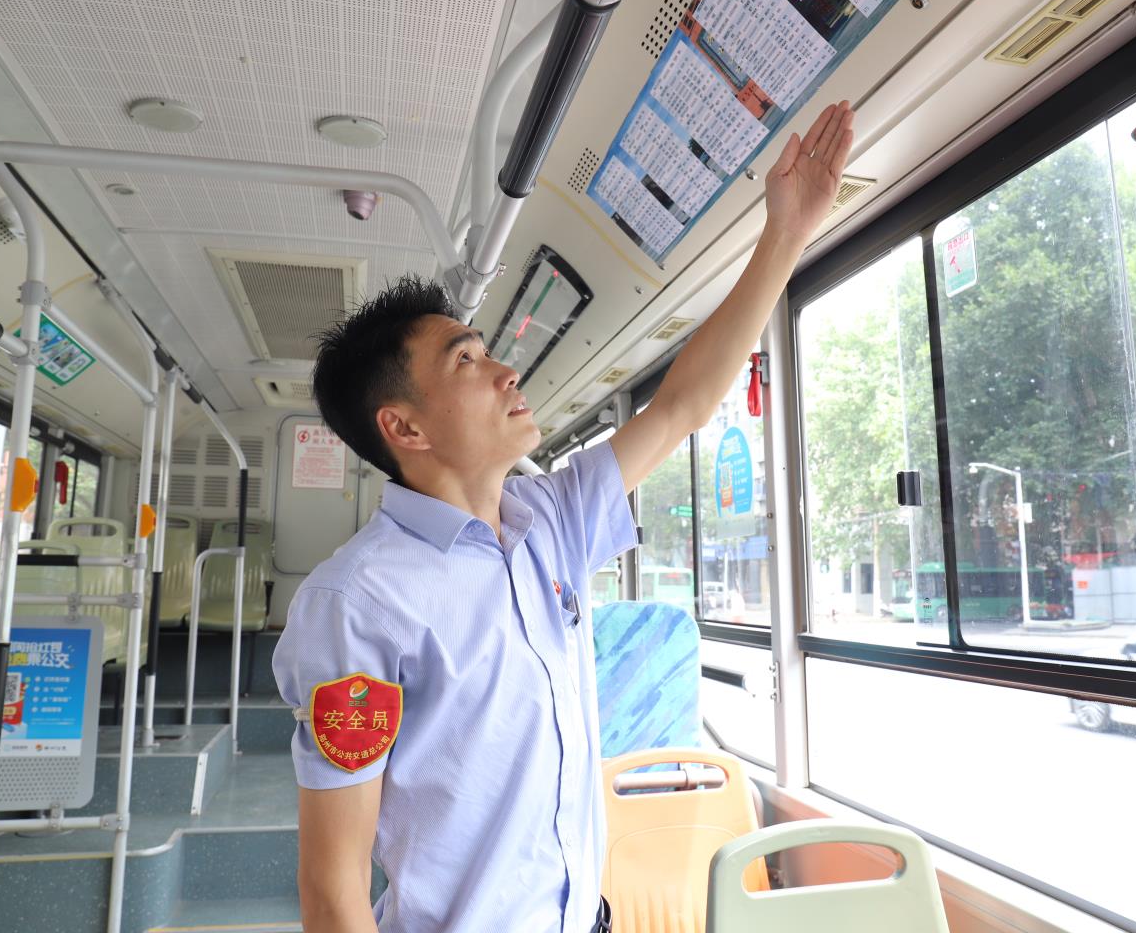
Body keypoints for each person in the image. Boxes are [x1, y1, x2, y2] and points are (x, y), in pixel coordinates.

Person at [273, 100, 856, 933]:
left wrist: (787, 232)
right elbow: (331, 893)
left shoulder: (550, 519)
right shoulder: (356, 603)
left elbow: (683, 405)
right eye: (468, 360)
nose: (507, 370)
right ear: (404, 427)